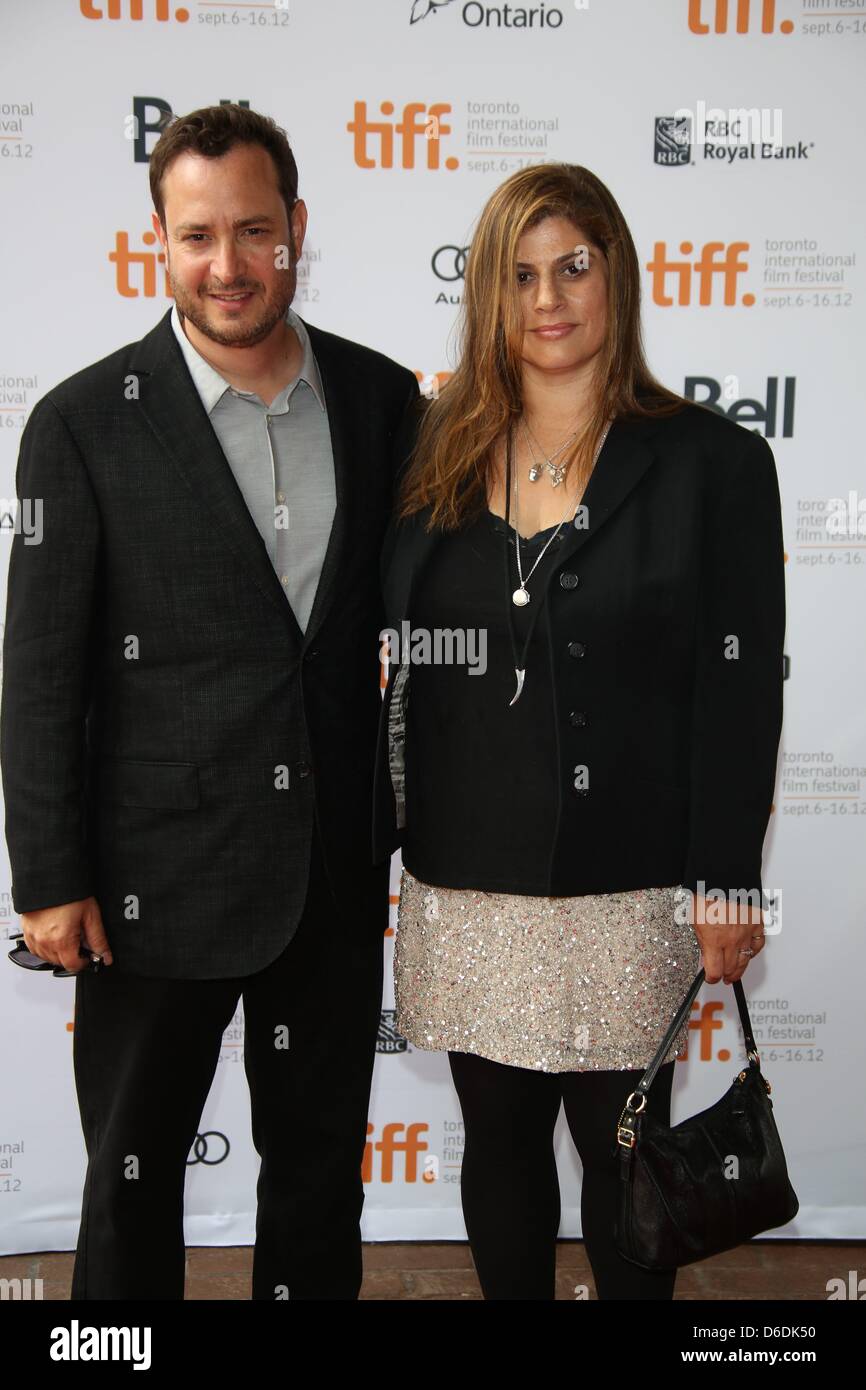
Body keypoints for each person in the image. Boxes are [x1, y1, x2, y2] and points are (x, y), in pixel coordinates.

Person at [0, 104, 421, 1300]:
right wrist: (48, 875)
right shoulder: (82, 424)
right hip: (147, 885)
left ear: (296, 229)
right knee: (127, 1192)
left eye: (250, 230)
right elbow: (38, 671)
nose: (225, 264)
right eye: (196, 235)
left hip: (330, 876)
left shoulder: (384, 400)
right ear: (158, 244)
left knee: (315, 1183)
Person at [372, 163, 786, 1300]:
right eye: (516, 275)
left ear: (617, 276)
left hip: (629, 886)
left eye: (572, 266)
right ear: (486, 299)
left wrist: (725, 881)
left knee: (621, 1166)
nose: (546, 298)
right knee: (498, 1151)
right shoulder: (431, 459)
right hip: (467, 883)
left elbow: (738, 688)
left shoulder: (711, 463)